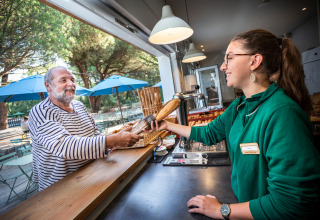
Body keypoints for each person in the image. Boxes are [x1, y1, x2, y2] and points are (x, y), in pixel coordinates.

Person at [151, 29, 320, 219]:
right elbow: (208, 133)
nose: (223, 67)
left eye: (229, 58)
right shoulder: (239, 107)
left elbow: (289, 204)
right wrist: (166, 125)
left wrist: (221, 210)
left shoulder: (283, 114)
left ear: (254, 61)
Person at [29, 66, 142, 191]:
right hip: (59, 187)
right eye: (63, 80)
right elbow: (65, 146)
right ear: (48, 86)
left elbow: (95, 134)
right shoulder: (41, 111)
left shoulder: (80, 106)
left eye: (72, 80)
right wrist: (111, 140)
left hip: (91, 176)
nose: (71, 84)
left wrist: (109, 145)